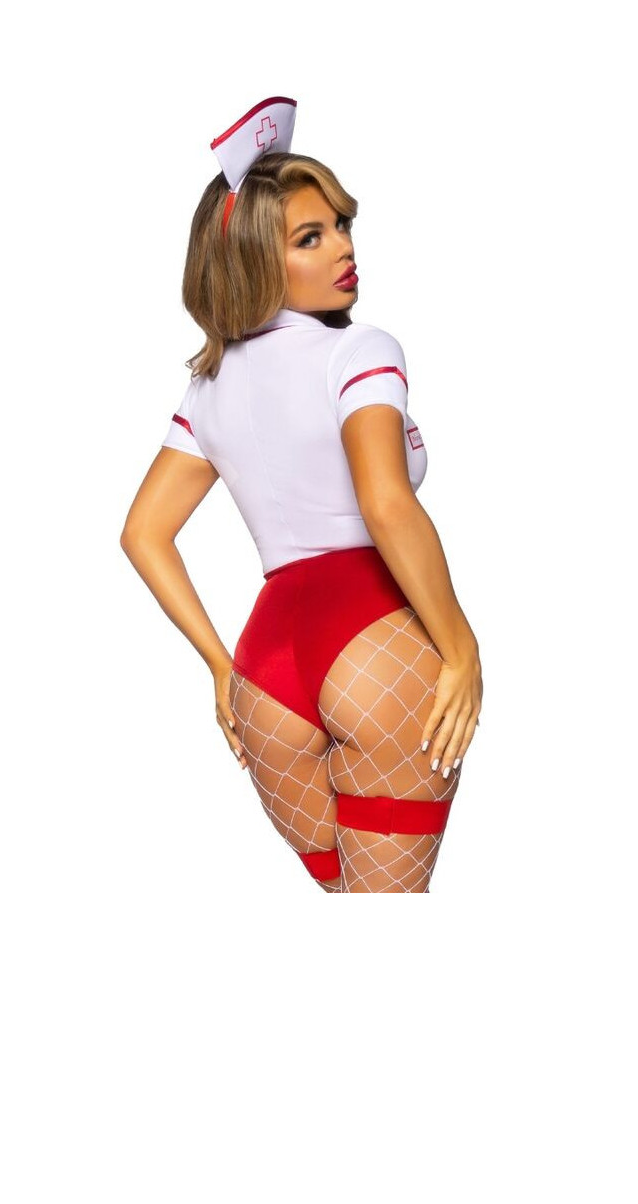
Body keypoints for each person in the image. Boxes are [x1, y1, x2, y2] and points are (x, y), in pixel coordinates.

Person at [120, 97, 482, 893]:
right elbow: (387, 503)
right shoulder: (358, 352)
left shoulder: (209, 387)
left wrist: (220, 666)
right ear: (257, 262)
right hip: (374, 643)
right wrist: (462, 648)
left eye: (341, 225)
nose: (344, 247)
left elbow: (143, 532)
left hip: (266, 672)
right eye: (310, 237)